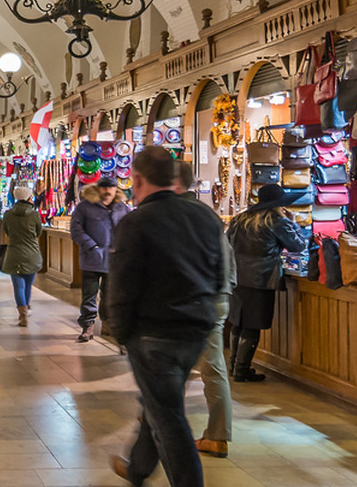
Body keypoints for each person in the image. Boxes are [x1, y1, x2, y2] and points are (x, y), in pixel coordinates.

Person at [106, 146, 222, 487]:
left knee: (167, 416)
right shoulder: (204, 217)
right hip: (196, 328)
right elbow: (217, 273)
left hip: (153, 333)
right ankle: (138, 469)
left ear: (137, 179)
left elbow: (123, 284)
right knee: (158, 402)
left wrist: (121, 331)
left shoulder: (136, 221)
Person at [174, 161, 237, 458]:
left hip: (196, 300)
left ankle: (159, 426)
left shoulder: (178, 216)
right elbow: (228, 258)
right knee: (210, 368)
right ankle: (216, 434)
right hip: (216, 295)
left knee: (177, 366)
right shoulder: (208, 214)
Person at [227, 183, 307, 383]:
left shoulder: (240, 220)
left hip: (237, 277)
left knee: (238, 323)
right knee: (252, 325)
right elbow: (298, 245)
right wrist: (294, 221)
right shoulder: (276, 221)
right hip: (261, 279)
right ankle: (241, 370)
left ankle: (234, 366)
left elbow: (226, 243)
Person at [70, 176, 130, 343]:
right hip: (91, 259)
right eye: (104, 188)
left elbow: (129, 229)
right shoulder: (84, 207)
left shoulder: (122, 208)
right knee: (89, 294)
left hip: (114, 260)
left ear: (115, 190)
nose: (107, 192)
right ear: (98, 189)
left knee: (109, 295)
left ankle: (107, 324)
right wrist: (92, 246)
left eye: (110, 189)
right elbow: (76, 230)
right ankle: (87, 325)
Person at [0, 184, 42, 327]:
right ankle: (26, 307)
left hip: (14, 253)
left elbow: (6, 230)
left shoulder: (8, 215)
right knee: (28, 285)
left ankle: (22, 313)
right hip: (32, 253)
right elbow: (38, 232)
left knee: (18, 286)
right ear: (30, 197)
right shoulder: (35, 214)